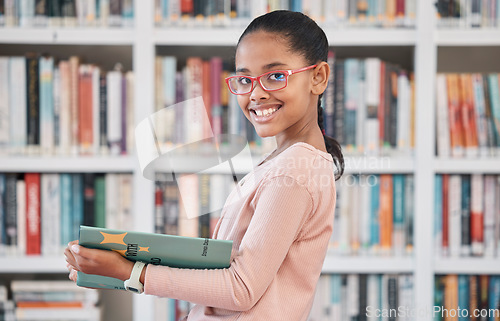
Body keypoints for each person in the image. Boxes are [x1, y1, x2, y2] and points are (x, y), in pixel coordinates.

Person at [65, 10, 344, 321]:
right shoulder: (287, 161)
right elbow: (233, 271)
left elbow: (241, 287)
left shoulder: (294, 169)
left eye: (276, 76)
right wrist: (118, 267)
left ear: (318, 77)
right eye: (244, 79)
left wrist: (134, 273)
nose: (256, 93)